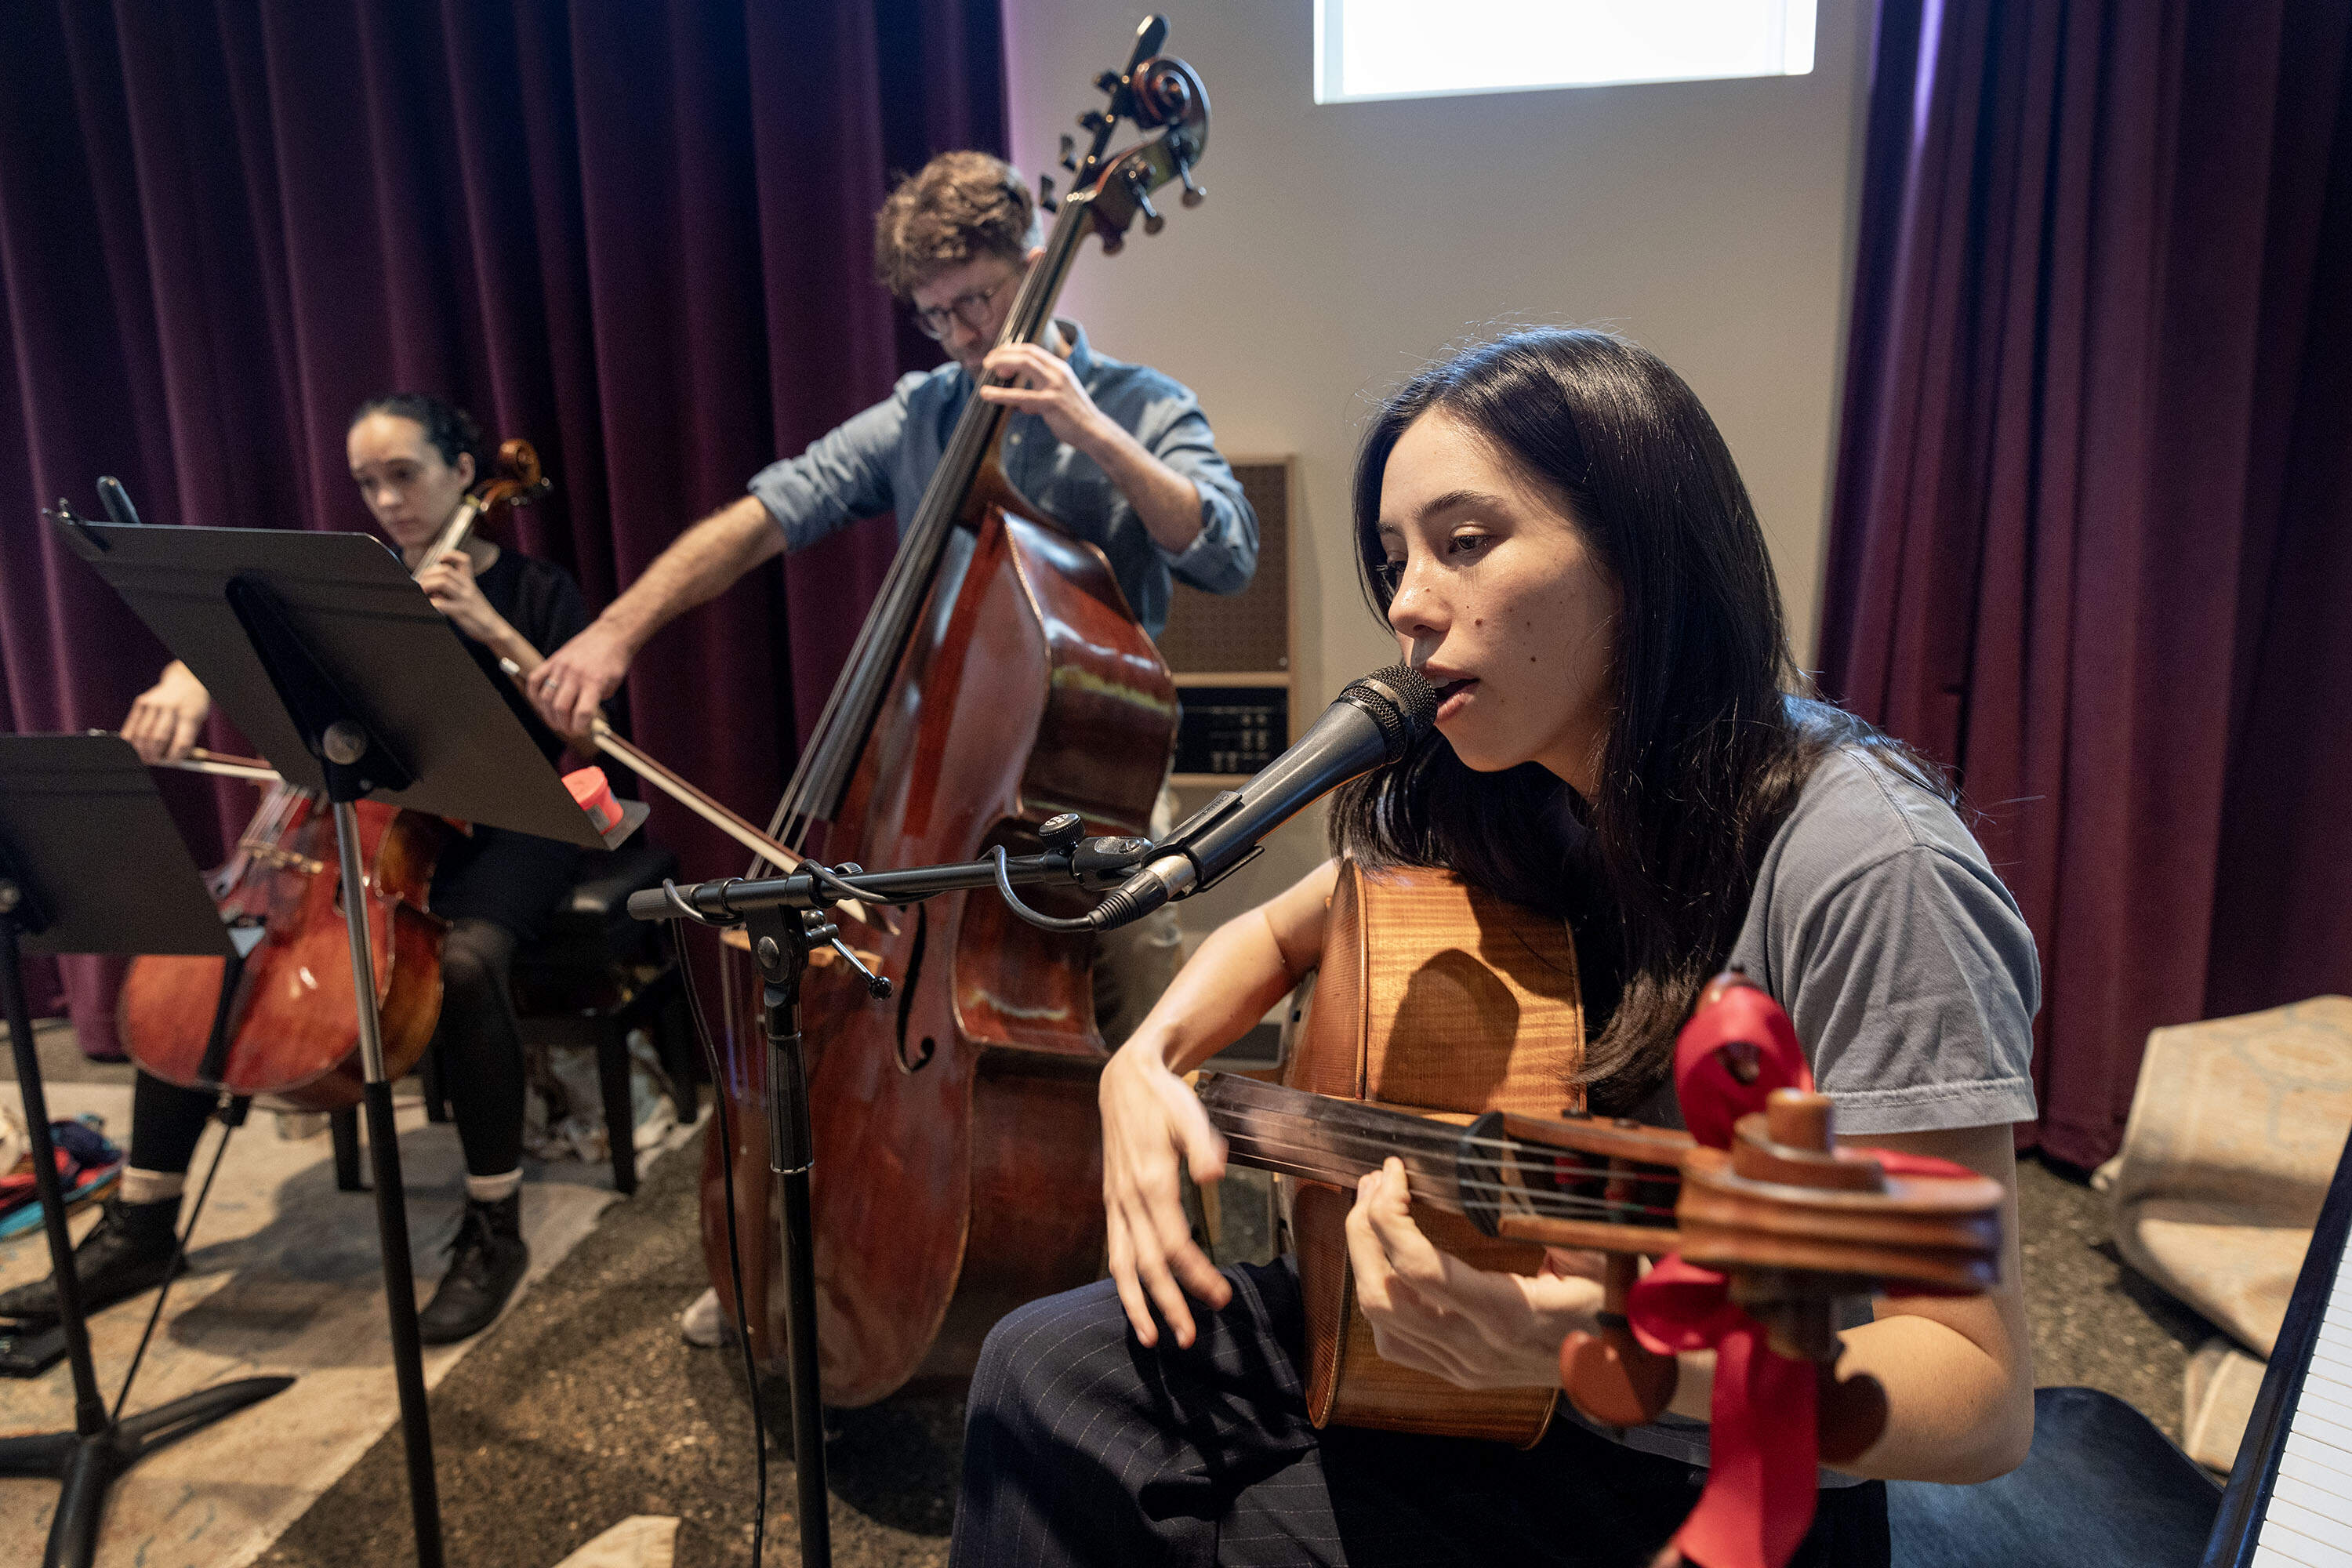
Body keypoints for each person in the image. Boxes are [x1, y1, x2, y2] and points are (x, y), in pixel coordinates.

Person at [947, 328, 2041, 1568]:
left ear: (1639, 553)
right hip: (1482, 1377)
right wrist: (1146, 1059)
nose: (1407, 606)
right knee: (1041, 1375)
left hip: (1705, 1472)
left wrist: (1597, 1354)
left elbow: (1976, 1388)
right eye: (1394, 560)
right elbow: (1278, 927)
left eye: (1465, 543)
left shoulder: (1868, 860)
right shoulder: (1516, 786)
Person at [521, 151, 1258, 1348]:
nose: (961, 332)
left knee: (1150, 1047)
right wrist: (615, 630)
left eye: (977, 301)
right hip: (937, 785)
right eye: (933, 314)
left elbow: (1223, 546)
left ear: (1032, 265)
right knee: (831, 1008)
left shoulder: (1137, 400)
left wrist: (1081, 422)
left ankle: (1189, 1304)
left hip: (1092, 800)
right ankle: (809, 1250)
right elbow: (777, 507)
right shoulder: (922, 414)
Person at [0, 394, 588, 1346]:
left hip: (504, 823)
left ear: (465, 470)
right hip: (354, 821)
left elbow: (581, 726)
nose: (387, 498)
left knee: (470, 966)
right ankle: (147, 1220)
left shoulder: (533, 587)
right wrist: (177, 683)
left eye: (406, 473)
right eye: (368, 481)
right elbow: (236, 637)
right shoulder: (351, 585)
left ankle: (493, 1222)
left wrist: (487, 625)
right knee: (208, 947)